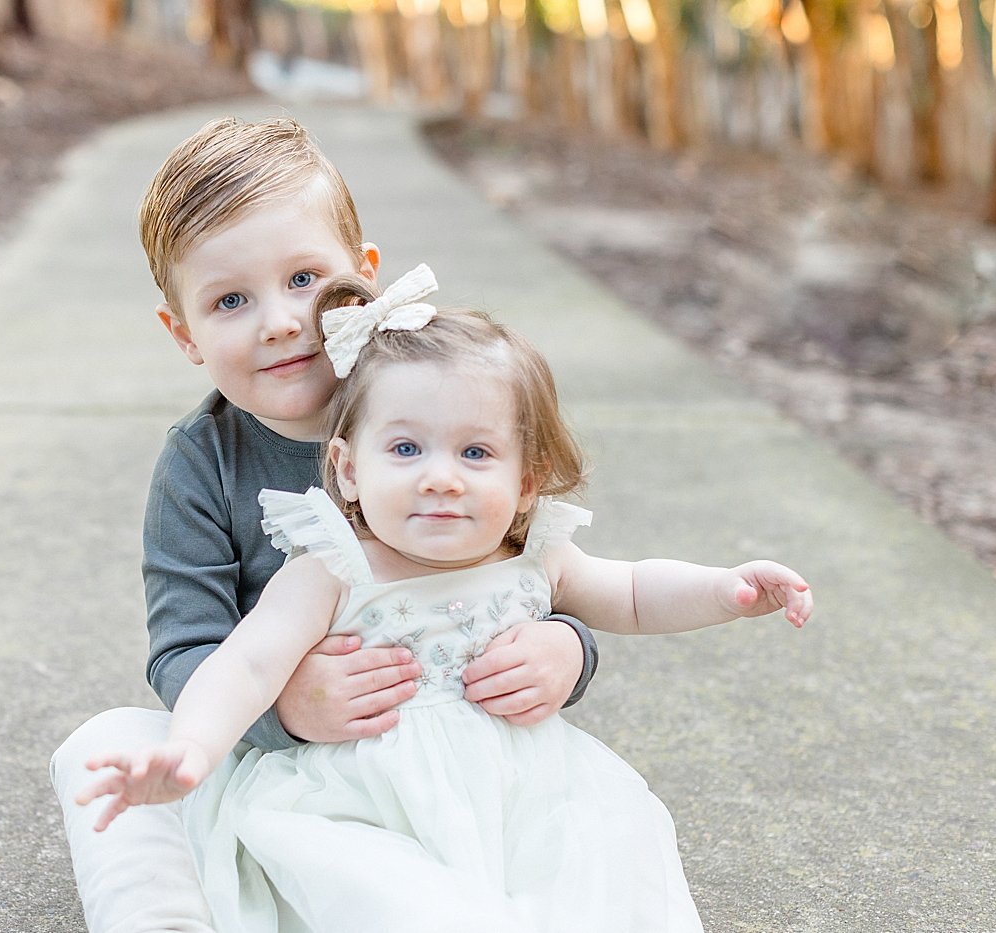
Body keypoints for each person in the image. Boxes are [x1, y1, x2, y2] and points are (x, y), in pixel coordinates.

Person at [76, 266, 814, 932]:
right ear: (349, 468)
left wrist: (726, 589)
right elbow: (244, 664)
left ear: (527, 481)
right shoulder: (330, 568)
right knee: (387, 894)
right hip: (359, 802)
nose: (440, 477)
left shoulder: (539, 555)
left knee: (606, 857)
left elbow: (632, 591)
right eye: (405, 450)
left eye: (475, 453)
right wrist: (192, 749)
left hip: (523, 797)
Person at [49, 117, 602, 932]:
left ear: (364, 280)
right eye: (230, 299)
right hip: (279, 759)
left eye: (304, 279)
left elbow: (544, 568)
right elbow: (182, 650)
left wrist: (569, 648)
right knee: (102, 748)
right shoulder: (204, 464)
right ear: (183, 334)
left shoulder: (443, 398)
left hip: (443, 756)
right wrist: (287, 709)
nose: (278, 320)